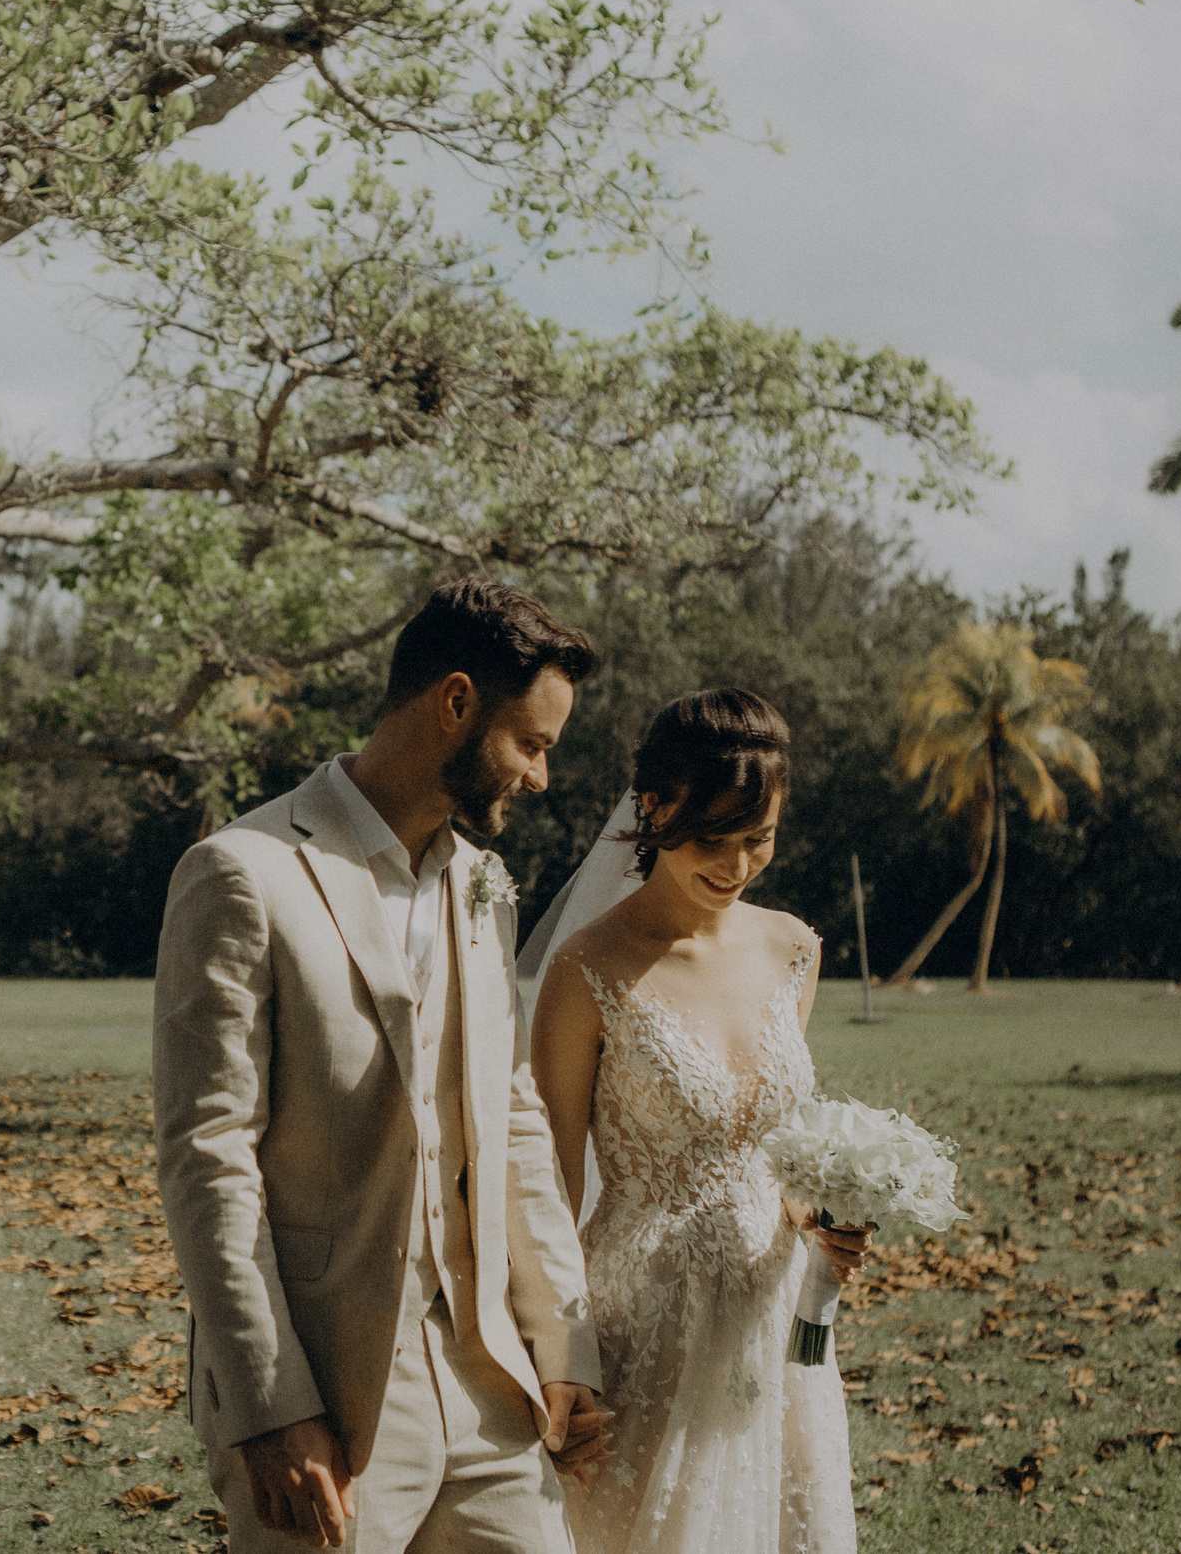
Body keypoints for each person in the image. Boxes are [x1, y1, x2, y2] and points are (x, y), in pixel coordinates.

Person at [153, 577, 612, 1554]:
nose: (540, 776)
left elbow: (516, 1119)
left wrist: (562, 1342)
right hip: (330, 1390)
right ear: (454, 702)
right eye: (530, 743)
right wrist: (271, 1404)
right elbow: (208, 1154)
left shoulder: (482, 884)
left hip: (489, 1378)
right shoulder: (244, 871)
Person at [528, 690, 868, 1554]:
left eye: (759, 838)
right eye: (712, 838)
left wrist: (819, 1217)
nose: (737, 864)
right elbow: (547, 1188)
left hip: (775, 1317)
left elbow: (775, 1146)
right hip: (645, 1326)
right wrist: (557, 1361)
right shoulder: (585, 969)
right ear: (653, 808)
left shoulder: (795, 948)